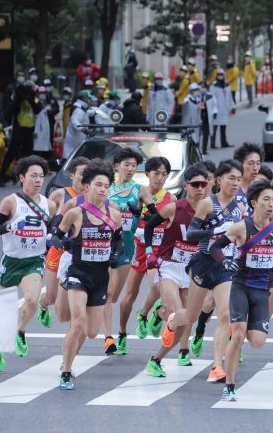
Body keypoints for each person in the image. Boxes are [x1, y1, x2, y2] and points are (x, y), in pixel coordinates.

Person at [158, 160, 245, 380]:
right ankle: (172, 321)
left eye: (238, 179)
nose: (235, 183)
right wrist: (216, 230)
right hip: (202, 263)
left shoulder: (240, 208)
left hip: (224, 266)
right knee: (190, 315)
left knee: (225, 314)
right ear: (219, 180)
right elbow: (191, 234)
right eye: (231, 178)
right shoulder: (208, 204)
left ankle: (217, 366)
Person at [208, 179, 273, 401]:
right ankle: (230, 384)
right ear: (254, 203)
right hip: (241, 286)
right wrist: (224, 262)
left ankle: (238, 328)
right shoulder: (241, 227)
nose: (271, 204)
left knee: (257, 342)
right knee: (240, 334)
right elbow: (215, 248)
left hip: (262, 290)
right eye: (266, 200)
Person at [52, 159, 122, 390]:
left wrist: (114, 256)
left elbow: (118, 242)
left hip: (100, 277)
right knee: (78, 321)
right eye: (98, 185)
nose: (102, 190)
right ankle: (66, 369)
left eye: (106, 186)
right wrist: (64, 243)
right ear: (87, 186)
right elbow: (56, 235)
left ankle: (69, 353)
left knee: (91, 332)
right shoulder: (75, 213)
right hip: (78, 273)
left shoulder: (114, 215)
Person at [0, 155, 57, 373]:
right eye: (33, 176)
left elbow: (54, 231)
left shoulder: (50, 205)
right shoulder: (10, 202)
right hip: (10, 261)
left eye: (41, 176)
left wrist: (52, 239)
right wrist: (9, 227)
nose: (38, 180)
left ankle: (18, 331)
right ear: (21, 177)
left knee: (31, 300)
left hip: (33, 261)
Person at [142, 164, 210, 378]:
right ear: (186, 185)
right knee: (178, 314)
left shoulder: (209, 211)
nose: (200, 189)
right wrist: (149, 252)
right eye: (196, 185)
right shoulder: (174, 208)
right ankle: (162, 315)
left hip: (191, 270)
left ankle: (156, 358)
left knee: (185, 320)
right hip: (169, 266)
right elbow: (150, 225)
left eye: (204, 184)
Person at [117, 157, 175, 355]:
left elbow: (165, 222)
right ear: (147, 173)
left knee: (156, 286)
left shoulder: (171, 199)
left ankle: (144, 315)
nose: (160, 178)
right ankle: (122, 333)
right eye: (156, 173)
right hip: (139, 248)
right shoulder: (137, 193)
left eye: (164, 174)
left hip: (159, 251)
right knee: (129, 295)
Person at [103, 148, 158, 354]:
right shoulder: (105, 188)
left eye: (133, 165)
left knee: (115, 295)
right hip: (104, 244)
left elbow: (156, 217)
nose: (129, 168)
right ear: (117, 166)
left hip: (127, 246)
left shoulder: (140, 190)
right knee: (107, 294)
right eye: (126, 164)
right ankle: (108, 338)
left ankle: (117, 331)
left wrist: (141, 213)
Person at [40, 157, 91, 325]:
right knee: (51, 297)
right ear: (72, 175)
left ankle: (74, 331)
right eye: (81, 174)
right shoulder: (60, 194)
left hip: (77, 253)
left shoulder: (92, 197)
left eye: (87, 174)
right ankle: (43, 302)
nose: (84, 178)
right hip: (57, 250)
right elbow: (43, 217)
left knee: (73, 298)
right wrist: (49, 236)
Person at [0, 82, 42, 180]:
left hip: (29, 130)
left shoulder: (33, 98)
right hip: (18, 129)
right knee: (11, 153)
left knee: (28, 155)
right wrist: (20, 98)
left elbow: (38, 108)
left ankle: (27, 176)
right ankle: (1, 176)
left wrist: (29, 98)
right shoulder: (18, 98)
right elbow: (12, 110)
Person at [209, 69, 234, 149]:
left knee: (223, 127)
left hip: (224, 109)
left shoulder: (227, 85)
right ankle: (212, 143)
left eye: (221, 74)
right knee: (214, 127)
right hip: (216, 110)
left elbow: (230, 97)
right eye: (219, 74)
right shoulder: (213, 86)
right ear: (216, 76)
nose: (220, 76)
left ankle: (224, 142)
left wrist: (232, 107)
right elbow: (211, 98)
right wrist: (213, 110)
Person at [63, 91, 91, 159]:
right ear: (84, 98)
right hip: (74, 142)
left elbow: (85, 114)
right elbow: (74, 121)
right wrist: (82, 129)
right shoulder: (79, 110)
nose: (89, 100)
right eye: (88, 98)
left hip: (75, 141)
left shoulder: (79, 107)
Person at [33, 87, 52, 160]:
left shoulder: (44, 103)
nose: (43, 94)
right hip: (38, 131)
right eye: (41, 93)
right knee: (38, 150)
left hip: (44, 132)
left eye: (44, 93)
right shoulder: (36, 102)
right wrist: (34, 130)